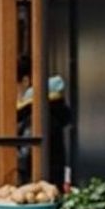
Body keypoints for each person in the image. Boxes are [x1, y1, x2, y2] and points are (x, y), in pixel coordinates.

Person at [15, 55, 72, 187]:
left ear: (25, 81)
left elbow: (25, 159)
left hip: (35, 191)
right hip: (48, 187)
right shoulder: (49, 109)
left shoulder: (36, 114)